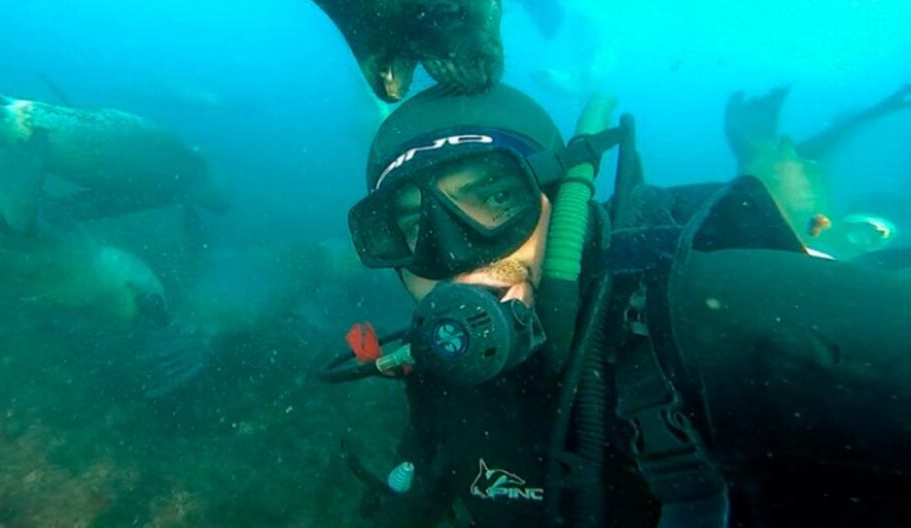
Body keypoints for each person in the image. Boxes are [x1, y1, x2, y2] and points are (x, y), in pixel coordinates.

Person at [325, 83, 911, 528]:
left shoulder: (717, 315)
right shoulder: (436, 375)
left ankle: (779, 175)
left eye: (497, 196)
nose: (452, 253)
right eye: (411, 225)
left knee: (818, 229)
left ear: (564, 199)